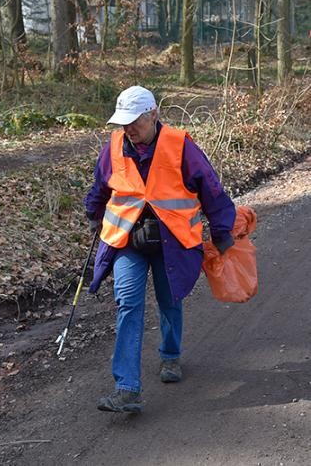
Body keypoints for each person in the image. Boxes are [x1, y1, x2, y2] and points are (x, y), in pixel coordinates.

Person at [84, 85, 236, 413]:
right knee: (127, 304)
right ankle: (127, 388)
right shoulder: (113, 148)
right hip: (129, 241)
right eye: (123, 123)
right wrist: (92, 213)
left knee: (170, 301)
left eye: (135, 121)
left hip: (173, 241)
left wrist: (222, 231)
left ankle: (170, 357)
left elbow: (211, 188)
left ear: (153, 114)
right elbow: (100, 186)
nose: (128, 129)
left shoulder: (181, 146)